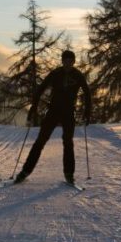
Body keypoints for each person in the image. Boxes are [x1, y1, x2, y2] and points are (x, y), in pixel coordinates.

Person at [15, 50, 92, 184]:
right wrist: (33, 107)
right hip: (53, 111)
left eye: (70, 61)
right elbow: (41, 89)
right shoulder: (55, 73)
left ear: (73, 62)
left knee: (68, 142)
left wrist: (87, 112)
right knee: (40, 141)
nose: (68, 63)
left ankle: (69, 174)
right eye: (65, 61)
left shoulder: (77, 75)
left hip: (68, 112)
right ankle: (25, 171)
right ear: (62, 61)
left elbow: (87, 93)